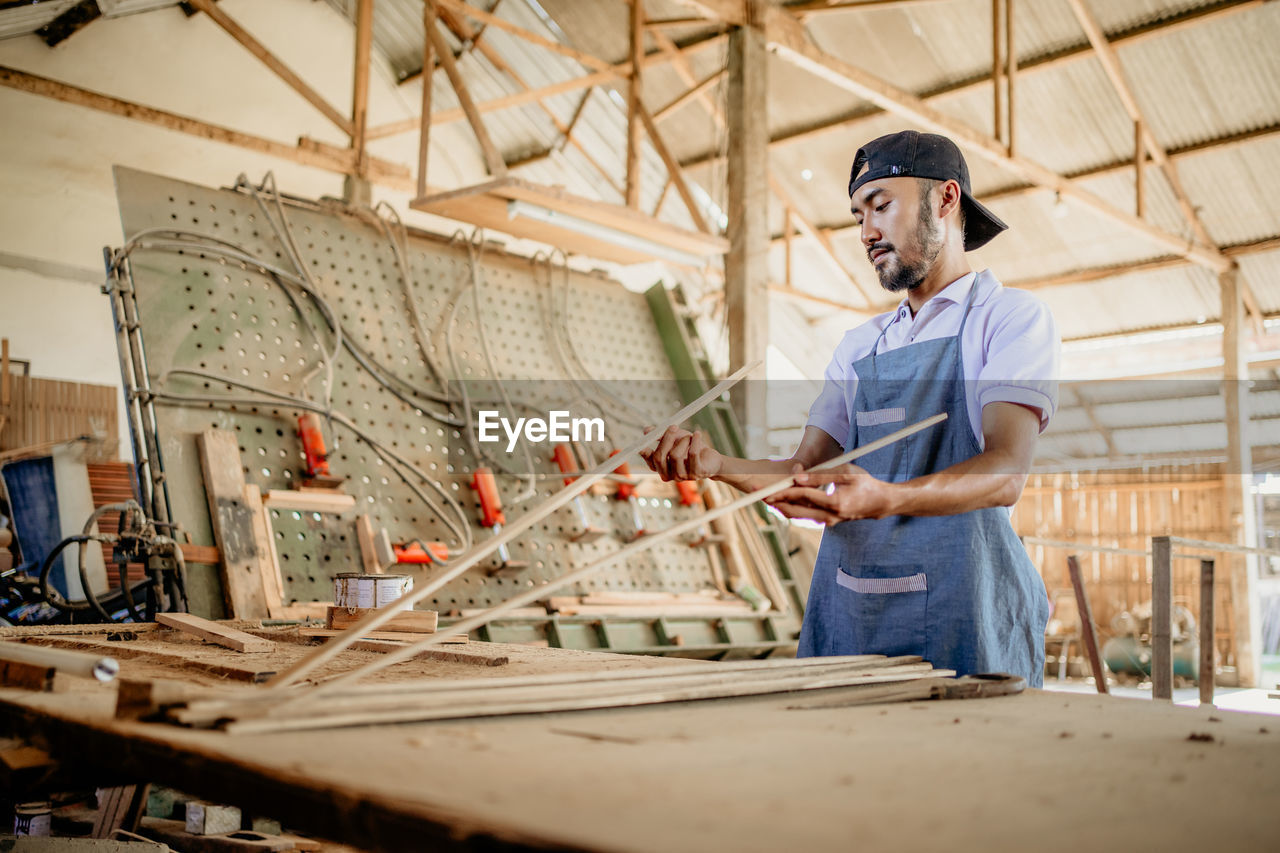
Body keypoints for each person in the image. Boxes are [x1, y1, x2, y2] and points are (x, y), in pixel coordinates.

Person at [641, 130, 1058, 687]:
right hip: (854, 616)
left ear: (946, 198)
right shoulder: (861, 347)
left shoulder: (1006, 318)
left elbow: (1006, 471)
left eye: (882, 205)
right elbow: (802, 482)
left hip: (966, 615)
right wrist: (716, 465)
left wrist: (888, 499)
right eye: (859, 214)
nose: (866, 232)